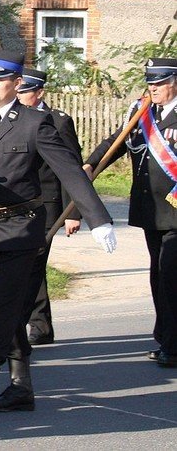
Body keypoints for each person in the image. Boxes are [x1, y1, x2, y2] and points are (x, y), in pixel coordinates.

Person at [0, 48, 116, 417]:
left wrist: (97, 218)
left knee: (6, 307)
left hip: (23, 227)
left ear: (16, 83)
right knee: (5, 307)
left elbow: (70, 170)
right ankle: (21, 385)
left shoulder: (34, 123)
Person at [85, 57, 177, 368]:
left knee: (171, 274)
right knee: (158, 274)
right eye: (151, 81)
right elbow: (117, 142)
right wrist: (90, 164)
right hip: (150, 209)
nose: (154, 87)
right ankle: (165, 337)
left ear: (174, 83)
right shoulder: (142, 113)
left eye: (160, 82)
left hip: (176, 208)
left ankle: (173, 345)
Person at [15, 68, 82, 346]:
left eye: (25, 92)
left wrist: (72, 212)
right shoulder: (13, 118)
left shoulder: (57, 121)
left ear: (39, 93)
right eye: (17, 91)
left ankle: (37, 325)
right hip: (18, 203)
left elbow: (70, 168)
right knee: (24, 264)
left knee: (33, 263)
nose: (19, 97)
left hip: (47, 204)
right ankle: (38, 325)